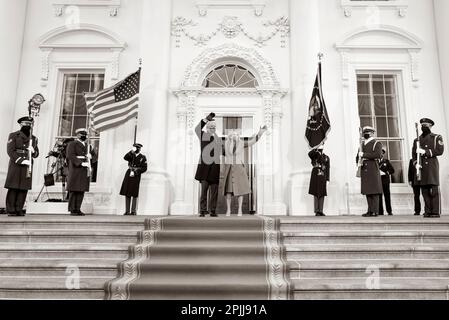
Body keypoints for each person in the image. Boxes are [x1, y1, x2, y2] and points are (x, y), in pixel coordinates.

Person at [222, 126, 267, 217]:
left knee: (240, 191)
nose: (235, 136)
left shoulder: (242, 143)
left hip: (239, 169)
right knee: (228, 191)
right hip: (229, 169)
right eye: (233, 134)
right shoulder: (225, 145)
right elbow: (220, 154)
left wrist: (260, 133)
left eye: (236, 134)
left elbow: (253, 141)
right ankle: (228, 210)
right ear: (229, 136)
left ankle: (240, 210)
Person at [4, 117, 39, 216]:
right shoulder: (14, 135)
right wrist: (21, 160)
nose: (27, 126)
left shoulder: (34, 138)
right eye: (25, 124)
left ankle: (19, 208)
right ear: (20, 124)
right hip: (16, 164)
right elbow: (10, 151)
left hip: (28, 165)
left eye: (29, 124)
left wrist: (33, 151)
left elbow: (36, 154)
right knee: (13, 187)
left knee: (24, 187)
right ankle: (11, 210)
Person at [412, 118, 444, 218]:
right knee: (424, 190)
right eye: (422, 125)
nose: (423, 127)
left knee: (434, 190)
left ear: (430, 126)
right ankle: (428, 210)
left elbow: (440, 150)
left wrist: (425, 152)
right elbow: (413, 154)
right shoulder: (417, 140)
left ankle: (435, 211)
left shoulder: (436, 137)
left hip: (431, 166)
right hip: (421, 168)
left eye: (425, 125)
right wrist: (416, 163)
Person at [195, 113, 223, 217]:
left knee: (214, 191)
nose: (213, 128)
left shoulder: (218, 139)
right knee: (204, 191)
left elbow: (223, 151)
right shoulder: (203, 135)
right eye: (211, 127)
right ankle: (202, 210)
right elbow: (197, 128)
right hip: (204, 168)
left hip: (215, 168)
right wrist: (207, 119)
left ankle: (213, 211)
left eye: (214, 127)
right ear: (207, 128)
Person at [66, 128, 97, 216]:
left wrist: (91, 157)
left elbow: (95, 157)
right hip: (76, 168)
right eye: (81, 134)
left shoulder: (88, 146)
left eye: (85, 135)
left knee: (81, 190)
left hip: (85, 169)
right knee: (74, 189)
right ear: (78, 135)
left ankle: (78, 208)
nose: (83, 136)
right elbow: (70, 155)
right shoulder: (72, 144)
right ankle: (72, 209)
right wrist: (80, 163)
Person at [356, 126, 383, 218]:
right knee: (368, 191)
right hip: (364, 168)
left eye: (368, 132)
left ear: (372, 133)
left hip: (372, 168)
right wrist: (358, 160)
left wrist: (364, 154)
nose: (365, 134)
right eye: (365, 132)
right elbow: (358, 156)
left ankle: (375, 211)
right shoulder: (362, 144)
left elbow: (378, 155)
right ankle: (370, 210)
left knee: (374, 191)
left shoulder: (376, 143)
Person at [120, 143, 148, 215]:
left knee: (134, 193)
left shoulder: (143, 157)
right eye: (135, 147)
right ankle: (127, 211)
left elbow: (144, 168)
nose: (137, 149)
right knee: (127, 192)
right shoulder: (131, 155)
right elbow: (125, 157)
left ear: (140, 149)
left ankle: (133, 211)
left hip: (136, 175)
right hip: (129, 174)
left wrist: (137, 171)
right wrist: (131, 151)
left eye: (138, 148)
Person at [308, 146, 330, 217]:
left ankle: (321, 210)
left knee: (322, 193)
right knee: (316, 192)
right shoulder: (314, 155)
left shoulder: (326, 157)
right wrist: (316, 148)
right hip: (315, 175)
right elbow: (309, 154)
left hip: (323, 175)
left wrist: (327, 179)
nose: (321, 146)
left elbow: (328, 169)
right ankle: (316, 210)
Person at [379, 148, 395, 216]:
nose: (381, 154)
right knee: (379, 197)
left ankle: (389, 211)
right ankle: (380, 211)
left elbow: (392, 170)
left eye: (382, 153)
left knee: (387, 196)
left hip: (385, 181)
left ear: (383, 154)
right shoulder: (375, 162)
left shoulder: (386, 161)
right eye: (380, 153)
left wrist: (386, 173)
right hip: (378, 182)